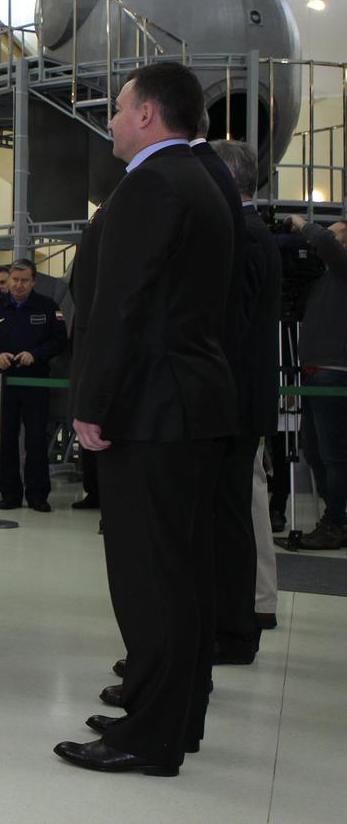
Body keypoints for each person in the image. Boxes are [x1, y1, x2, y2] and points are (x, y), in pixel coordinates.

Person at [58, 62, 236, 776]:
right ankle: (173, 713)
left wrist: (92, 403)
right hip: (187, 401)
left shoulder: (153, 184)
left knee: (149, 578)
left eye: (119, 108)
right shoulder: (202, 180)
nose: (110, 121)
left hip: (152, 407)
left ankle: (150, 735)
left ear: (148, 115)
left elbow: (119, 305)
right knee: (183, 572)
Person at [209, 139, 282, 654]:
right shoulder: (252, 233)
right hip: (239, 396)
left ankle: (236, 628)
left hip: (236, 399)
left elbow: (230, 328)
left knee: (233, 517)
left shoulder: (246, 237)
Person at [0, 259, 67, 511]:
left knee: (35, 441)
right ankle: (10, 494)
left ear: (33, 281)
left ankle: (37, 495)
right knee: (5, 440)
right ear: (8, 279)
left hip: (35, 383)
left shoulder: (47, 307)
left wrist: (36, 354)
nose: (19, 285)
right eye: (15, 280)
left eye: (25, 280)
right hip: (3, 384)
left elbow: (60, 340)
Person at [284, 213, 347, 549]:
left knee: (333, 454)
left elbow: (324, 243)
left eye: (335, 234)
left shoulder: (342, 268)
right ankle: (336, 516)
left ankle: (337, 521)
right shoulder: (323, 279)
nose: (325, 238)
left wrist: (300, 223)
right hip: (312, 374)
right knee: (316, 451)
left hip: (333, 373)